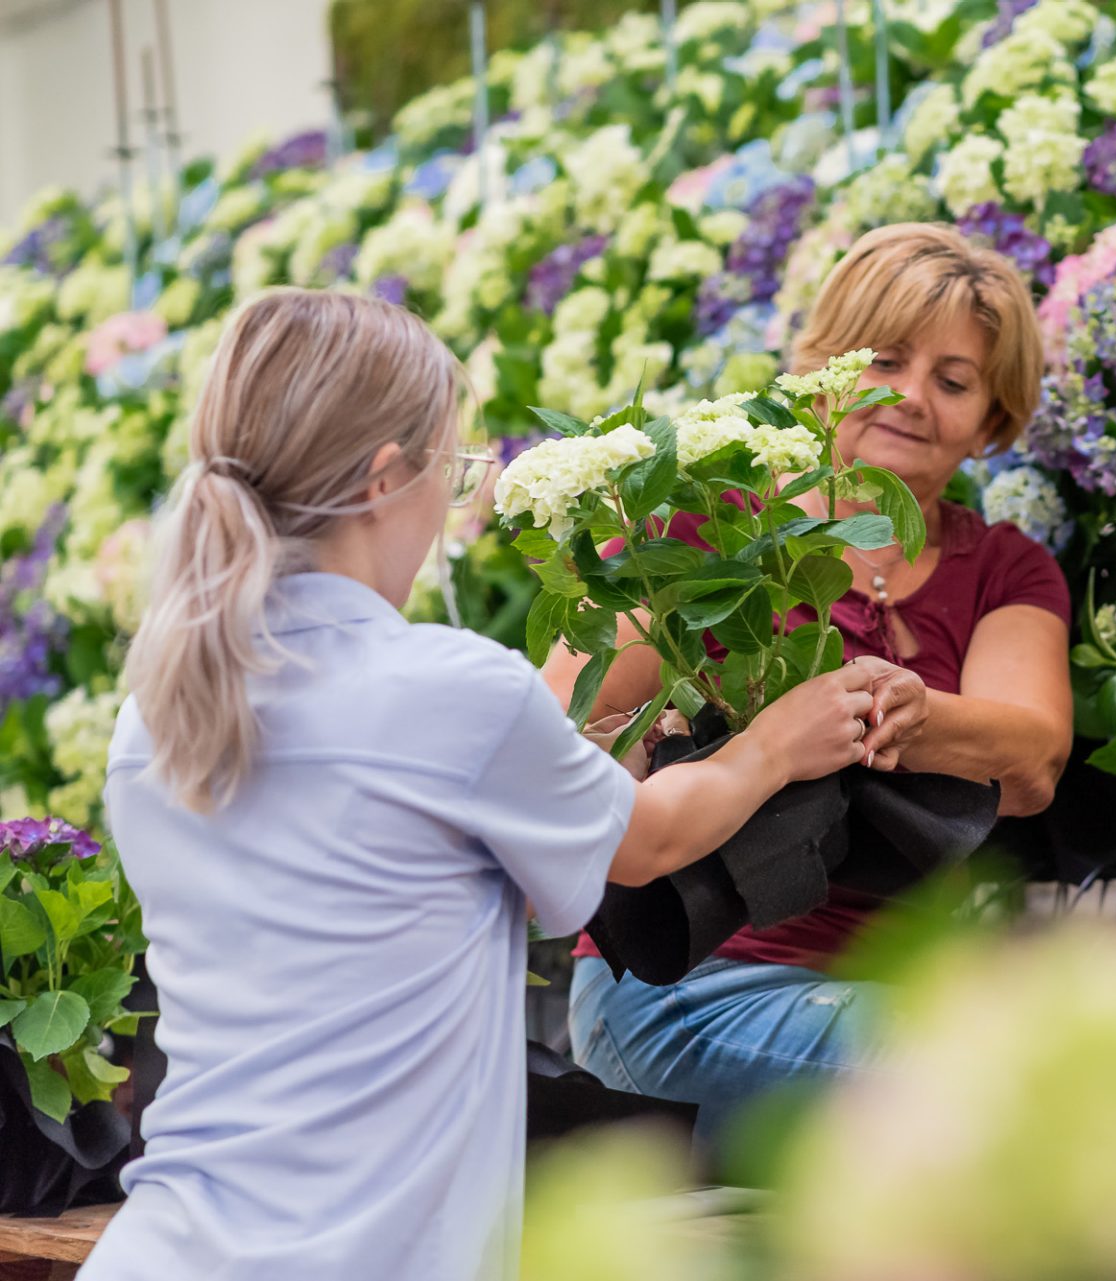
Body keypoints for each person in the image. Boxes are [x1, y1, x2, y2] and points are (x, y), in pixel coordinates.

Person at [82, 291, 878, 1281]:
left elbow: (404, 880)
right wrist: (775, 744)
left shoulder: (157, 711)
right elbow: (652, 839)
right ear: (383, 482)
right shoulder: (449, 689)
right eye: (449, 473)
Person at [551, 223, 1074, 1136]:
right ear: (824, 363)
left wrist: (912, 712)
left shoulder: (1003, 568)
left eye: (952, 382)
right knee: (996, 1081)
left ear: (993, 421)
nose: (912, 397)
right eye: (886, 362)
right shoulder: (705, 528)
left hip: (893, 994)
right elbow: (547, 744)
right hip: (685, 990)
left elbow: (1031, 760)